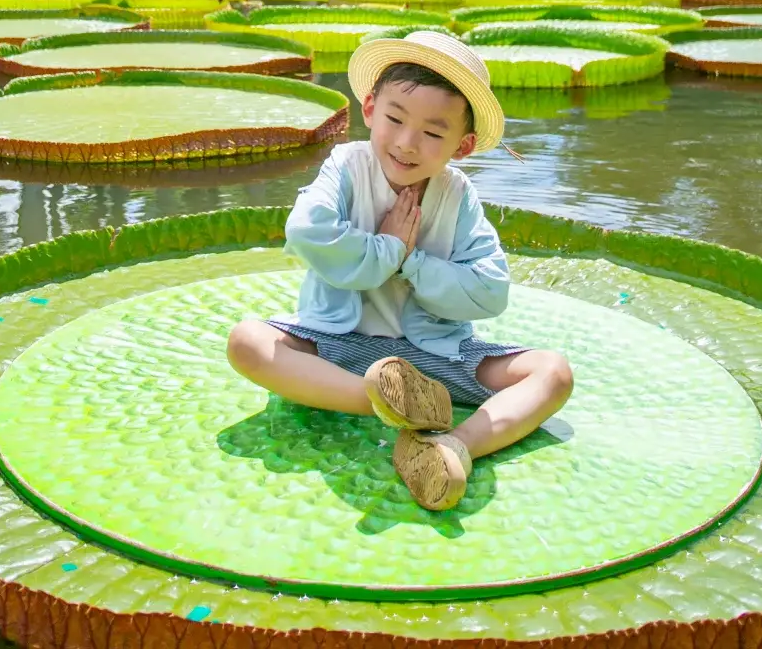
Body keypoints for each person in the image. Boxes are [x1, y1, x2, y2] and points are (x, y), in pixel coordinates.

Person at [227, 30, 573, 512]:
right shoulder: (346, 166)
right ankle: (385, 404)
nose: (408, 144)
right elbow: (307, 231)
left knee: (552, 373)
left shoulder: (458, 196)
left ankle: (453, 445)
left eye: (433, 133)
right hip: (338, 346)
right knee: (247, 340)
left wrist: (410, 260)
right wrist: (387, 246)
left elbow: (490, 291)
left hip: (431, 357)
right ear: (369, 108)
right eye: (394, 119)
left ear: (463, 145)